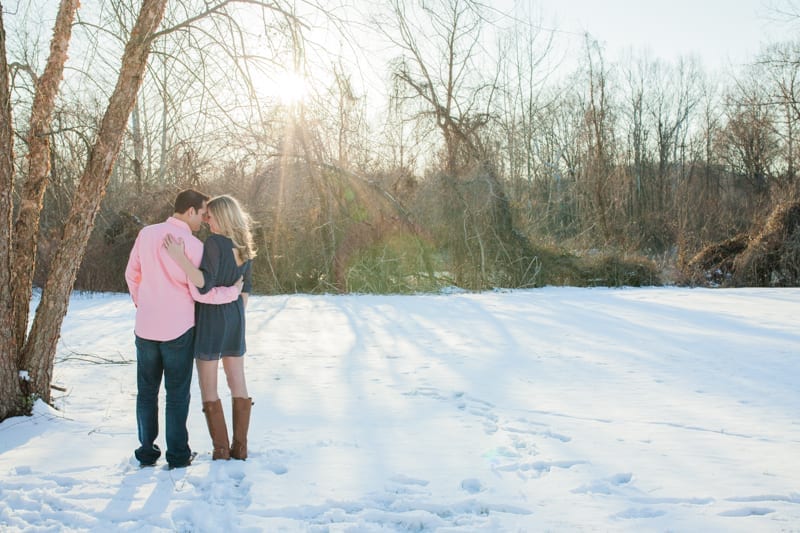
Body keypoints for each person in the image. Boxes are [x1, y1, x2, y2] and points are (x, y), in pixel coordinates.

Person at [125, 189, 242, 469]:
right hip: (178, 329)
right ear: (190, 211)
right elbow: (201, 292)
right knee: (176, 394)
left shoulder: (147, 234)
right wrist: (232, 294)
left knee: (146, 392)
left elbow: (132, 275)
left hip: (146, 327)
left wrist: (145, 304)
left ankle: (146, 450)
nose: (204, 220)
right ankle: (177, 455)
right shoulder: (193, 246)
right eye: (202, 214)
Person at [164, 194, 256, 461]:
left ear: (223, 217)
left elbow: (204, 283)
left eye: (210, 216)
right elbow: (245, 290)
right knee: (237, 381)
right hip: (236, 318)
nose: (206, 220)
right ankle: (240, 448)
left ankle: (221, 450)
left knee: (209, 386)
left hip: (211, 319)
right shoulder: (245, 248)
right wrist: (235, 313)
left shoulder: (215, 243)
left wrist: (180, 259)